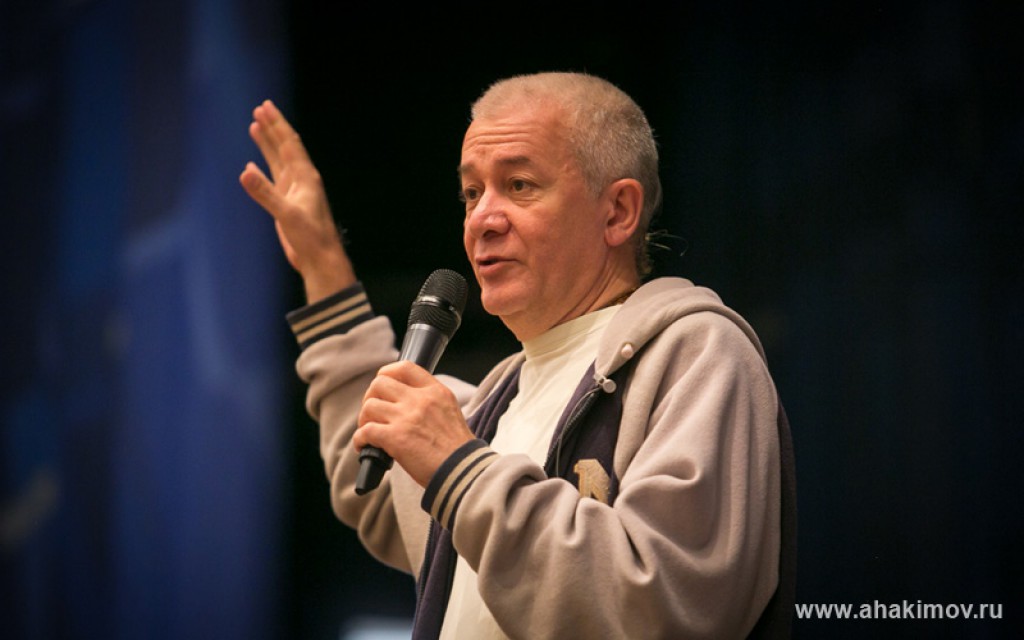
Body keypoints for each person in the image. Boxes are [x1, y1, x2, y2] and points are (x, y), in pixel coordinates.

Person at [240, 72, 795, 639]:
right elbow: (371, 471)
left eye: (520, 185)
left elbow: (667, 607)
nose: (482, 219)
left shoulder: (694, 353)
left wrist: (458, 469)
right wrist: (323, 264)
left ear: (617, 212)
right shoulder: (495, 404)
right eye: (471, 193)